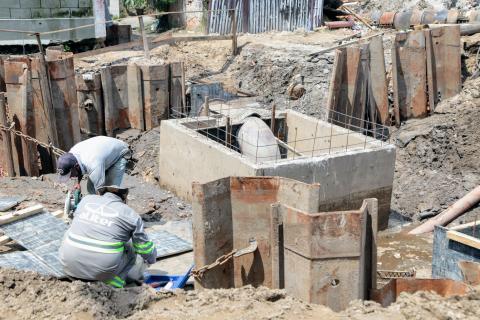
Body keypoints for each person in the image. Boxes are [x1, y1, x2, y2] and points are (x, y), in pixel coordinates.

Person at [59, 185, 157, 288]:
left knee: (69, 232)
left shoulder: (86, 201)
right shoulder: (131, 215)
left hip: (68, 266)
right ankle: (114, 286)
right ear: (124, 199)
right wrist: (152, 259)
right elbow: (143, 248)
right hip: (101, 272)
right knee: (131, 248)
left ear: (101, 194)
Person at [56, 136, 131, 194]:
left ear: (76, 167)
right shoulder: (72, 153)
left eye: (70, 175)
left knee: (110, 191)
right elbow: (78, 166)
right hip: (103, 153)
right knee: (90, 189)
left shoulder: (93, 164)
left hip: (120, 154)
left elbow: (101, 191)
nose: (71, 177)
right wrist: (78, 183)